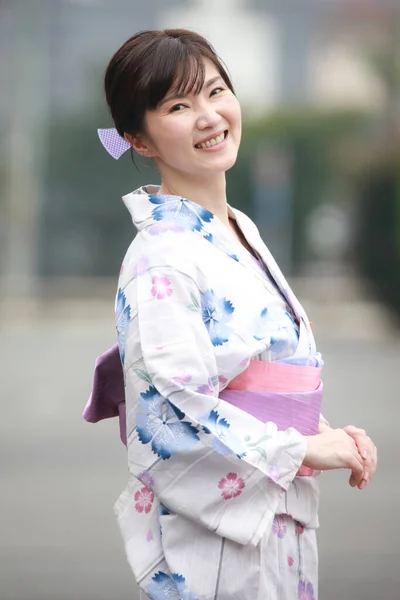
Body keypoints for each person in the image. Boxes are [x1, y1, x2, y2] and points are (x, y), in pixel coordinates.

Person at [84, 29, 377, 600]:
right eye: (177, 105)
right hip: (220, 547)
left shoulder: (237, 229)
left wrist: (321, 430)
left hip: (274, 514)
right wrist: (303, 449)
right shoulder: (161, 256)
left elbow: (254, 372)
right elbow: (171, 415)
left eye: (216, 91)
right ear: (138, 140)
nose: (208, 116)